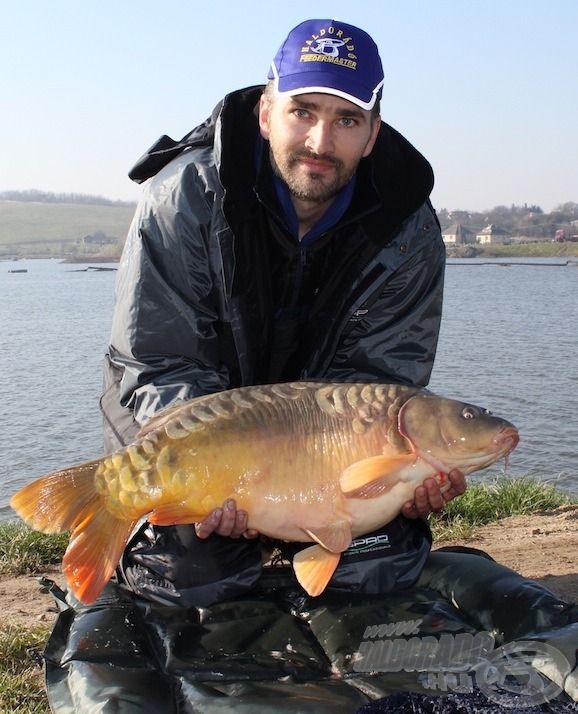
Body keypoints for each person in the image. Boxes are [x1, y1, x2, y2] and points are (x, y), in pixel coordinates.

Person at [100, 18, 466, 608]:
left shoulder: (407, 229)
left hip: (322, 443)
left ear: (372, 134)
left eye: (346, 120)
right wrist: (224, 473)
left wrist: (392, 482)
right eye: (304, 112)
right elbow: (160, 360)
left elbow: (380, 381)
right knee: (196, 577)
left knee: (380, 566)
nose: (320, 142)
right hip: (190, 424)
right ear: (266, 113)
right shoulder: (182, 198)